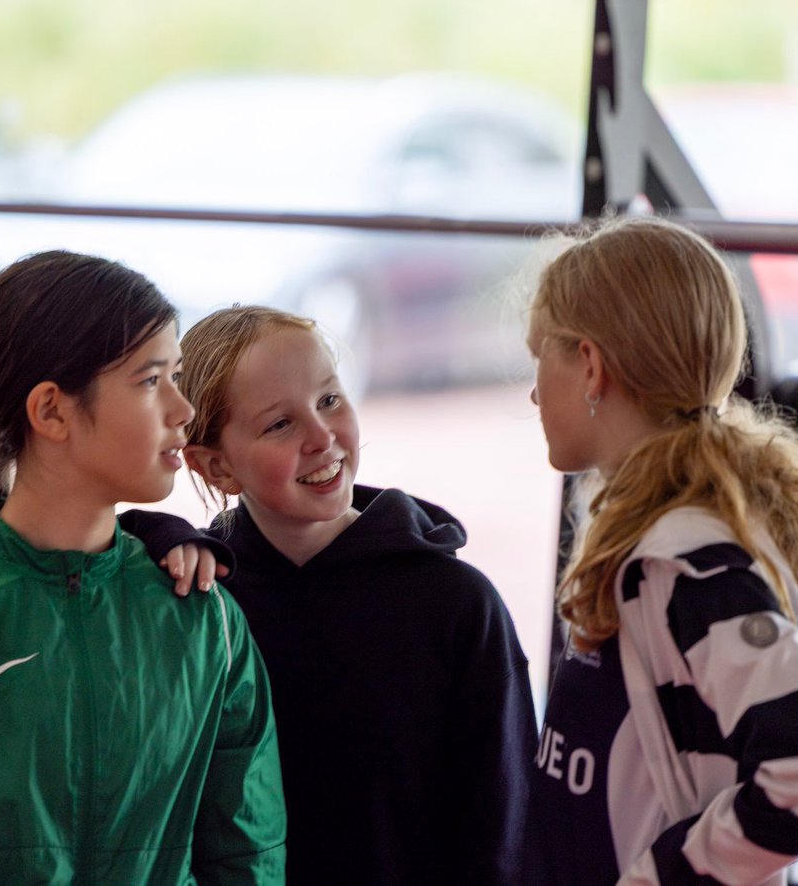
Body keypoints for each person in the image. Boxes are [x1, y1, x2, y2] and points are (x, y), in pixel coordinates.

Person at [0, 251, 286, 885]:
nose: (183, 410)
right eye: (151, 381)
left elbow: (247, 863)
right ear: (52, 411)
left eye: (177, 377)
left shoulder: (209, 624)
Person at [523, 214, 798, 885]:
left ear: (591, 365)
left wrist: (674, 870)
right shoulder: (663, 538)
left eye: (539, 354)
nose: (534, 390)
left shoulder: (688, 560)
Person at [122, 305, 538, 886]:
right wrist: (150, 532)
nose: (321, 438)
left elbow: (503, 832)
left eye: (329, 401)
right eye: (279, 425)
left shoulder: (458, 605)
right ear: (215, 466)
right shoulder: (202, 598)